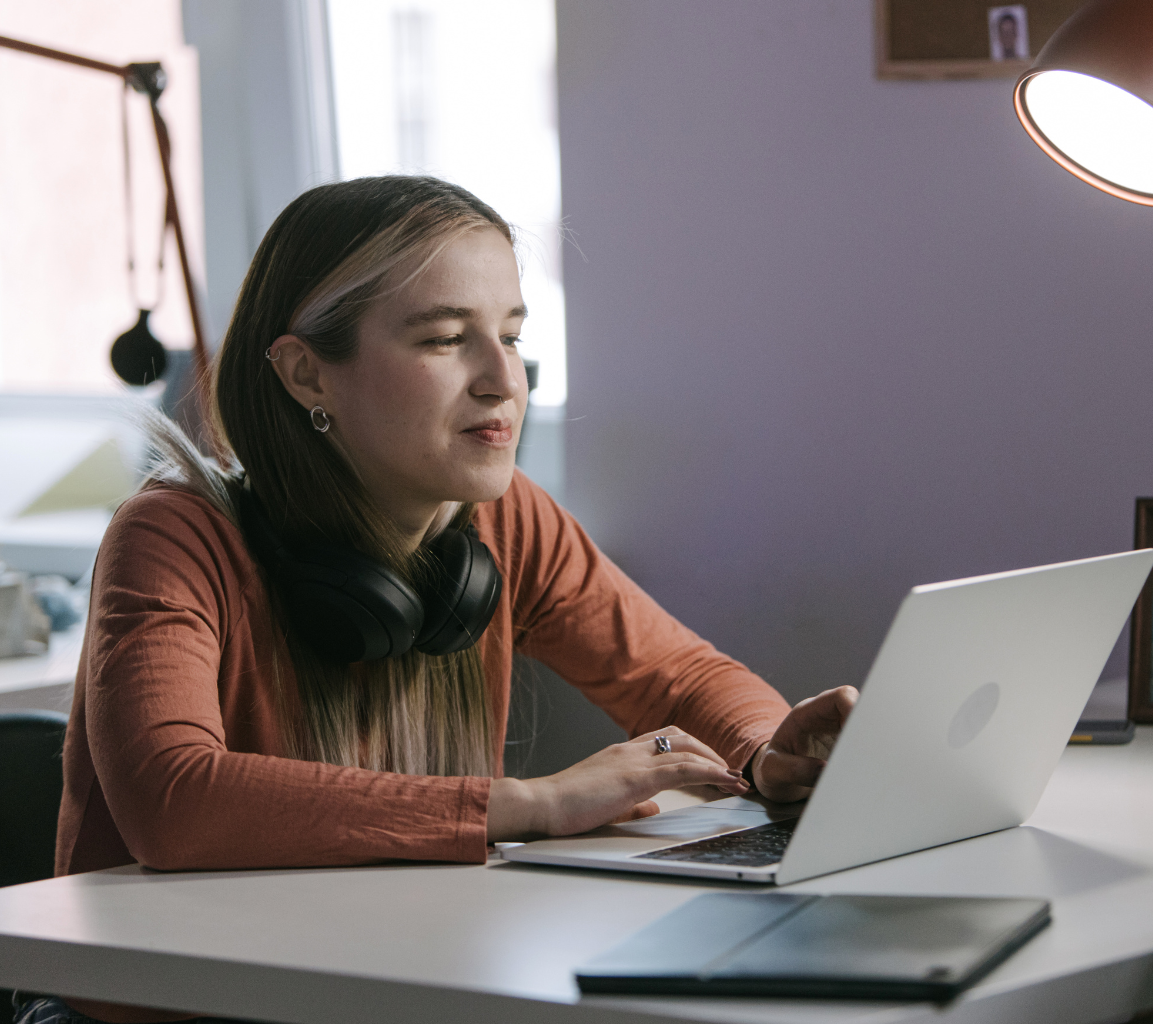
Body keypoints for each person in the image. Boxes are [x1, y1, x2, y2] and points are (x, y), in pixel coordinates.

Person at [19, 176, 856, 1024]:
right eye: (447, 339)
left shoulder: (504, 518)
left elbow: (676, 674)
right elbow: (177, 802)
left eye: (513, 334)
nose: (504, 379)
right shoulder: (174, 536)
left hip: (385, 989)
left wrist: (764, 752)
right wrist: (530, 805)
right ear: (307, 372)